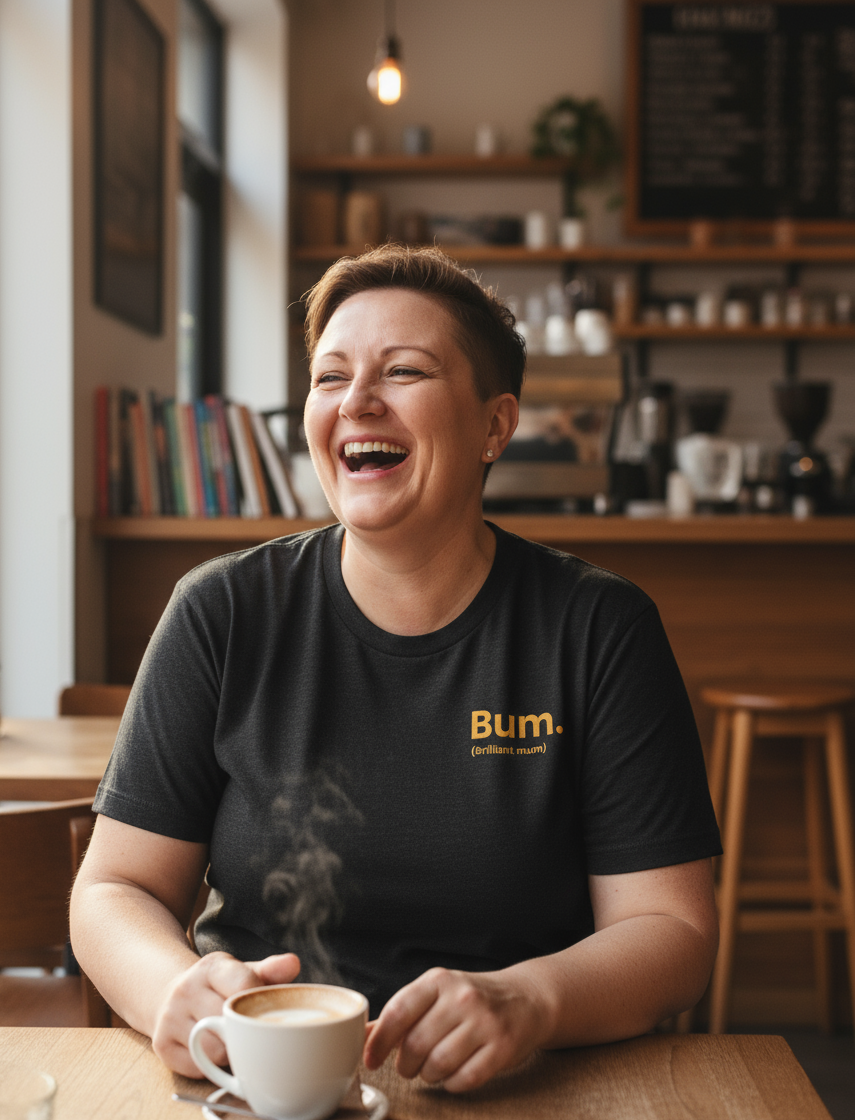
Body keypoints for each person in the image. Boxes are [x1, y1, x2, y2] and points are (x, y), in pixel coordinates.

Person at [70, 244, 721, 1094]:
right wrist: (173, 992)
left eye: (404, 371)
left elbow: (672, 929)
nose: (357, 402)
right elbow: (113, 887)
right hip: (261, 1088)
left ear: (496, 425)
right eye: (330, 376)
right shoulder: (221, 612)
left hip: (524, 1089)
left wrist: (534, 998)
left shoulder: (599, 628)